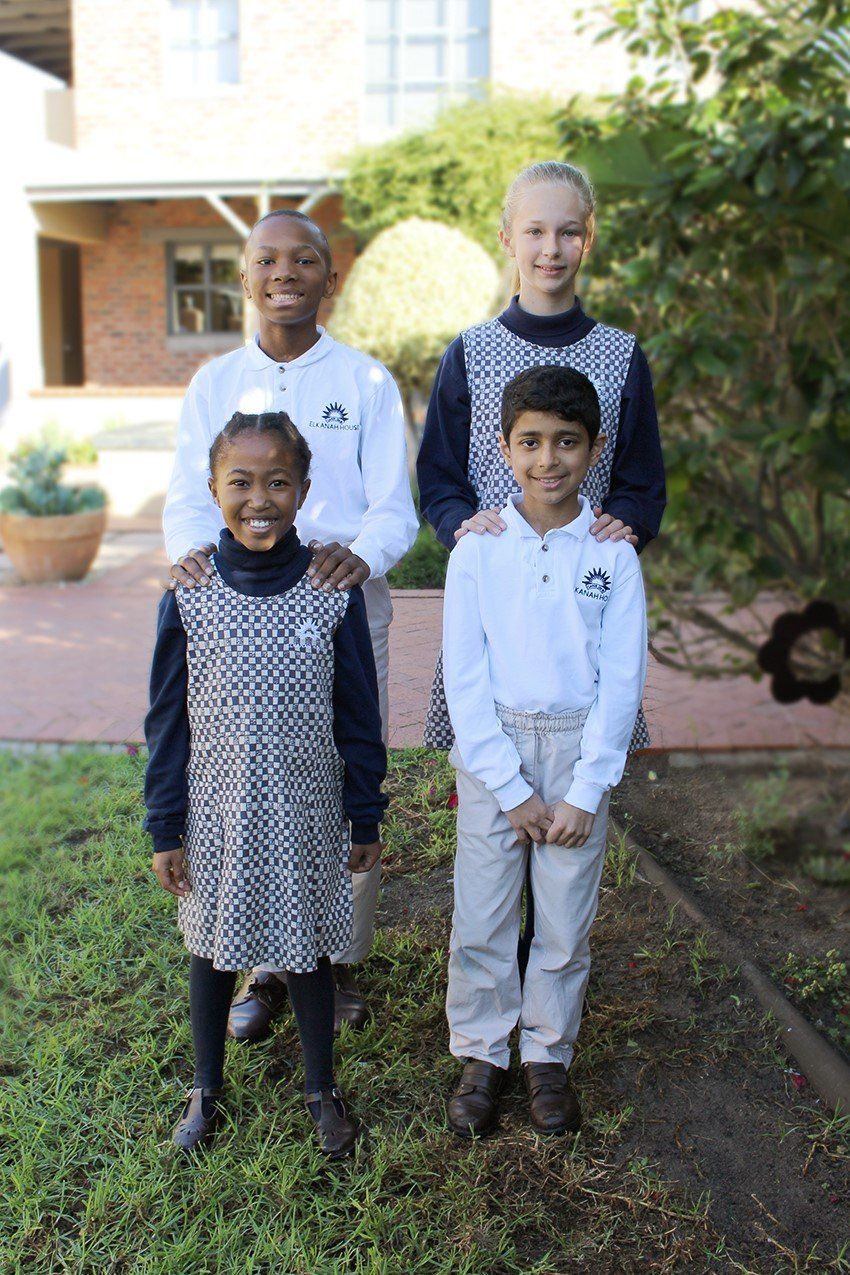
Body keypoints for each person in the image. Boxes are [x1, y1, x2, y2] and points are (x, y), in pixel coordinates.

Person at [162, 209, 418, 1039]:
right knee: (254, 775)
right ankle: (266, 965)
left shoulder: (367, 383)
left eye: (304, 258)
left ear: (329, 278)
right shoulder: (213, 384)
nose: (285, 272)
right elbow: (183, 496)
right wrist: (196, 559)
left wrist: (362, 557)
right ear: (244, 278)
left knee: (340, 763)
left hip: (337, 605)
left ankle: (338, 959)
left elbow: (394, 508)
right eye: (266, 259)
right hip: (239, 609)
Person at [144, 411, 387, 1156]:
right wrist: (165, 826)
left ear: (303, 488)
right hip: (219, 810)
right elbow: (165, 722)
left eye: (278, 482)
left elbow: (357, 711)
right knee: (212, 946)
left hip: (307, 808)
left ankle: (321, 1086)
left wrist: (365, 812)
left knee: (311, 945)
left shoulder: (328, 588)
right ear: (213, 488)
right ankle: (206, 1083)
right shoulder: (189, 593)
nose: (260, 498)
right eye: (241, 482)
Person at [442, 365, 647, 1137]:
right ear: (503, 447)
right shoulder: (478, 551)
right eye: (529, 442)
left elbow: (620, 682)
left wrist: (587, 789)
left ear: (593, 449)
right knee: (484, 911)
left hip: (576, 748)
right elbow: (463, 675)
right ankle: (484, 1052)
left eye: (566, 442)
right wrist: (506, 782)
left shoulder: (611, 555)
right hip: (497, 745)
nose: (548, 460)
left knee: (563, 918)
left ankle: (547, 1054)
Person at [417, 160, 664, 752]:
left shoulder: (620, 353)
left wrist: (625, 525)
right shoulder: (469, 352)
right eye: (534, 231)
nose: (551, 249)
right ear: (507, 239)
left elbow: (640, 474)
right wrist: (459, 525)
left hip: (584, 588)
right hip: (497, 585)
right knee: (489, 767)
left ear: (588, 237)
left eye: (567, 232)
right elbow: (440, 473)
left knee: (585, 762)